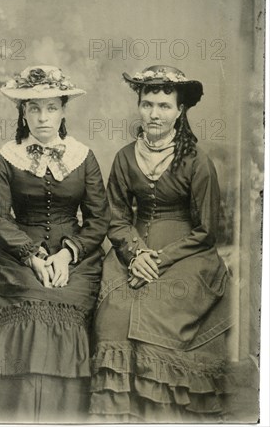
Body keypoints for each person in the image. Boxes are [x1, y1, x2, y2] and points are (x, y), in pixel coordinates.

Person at [0, 65, 110, 423]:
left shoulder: (83, 157)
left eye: (51, 107)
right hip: (15, 257)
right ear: (23, 112)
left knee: (65, 310)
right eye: (34, 108)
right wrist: (33, 258)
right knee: (26, 305)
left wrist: (66, 254)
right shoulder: (7, 157)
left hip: (75, 257)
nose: (43, 117)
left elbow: (99, 218)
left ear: (63, 110)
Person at [90, 65, 232, 423]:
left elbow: (206, 231)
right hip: (133, 249)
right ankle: (121, 414)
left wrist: (160, 260)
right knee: (114, 313)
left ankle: (161, 413)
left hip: (188, 254)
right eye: (147, 104)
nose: (154, 113)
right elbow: (116, 217)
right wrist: (135, 254)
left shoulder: (196, 160)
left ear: (180, 111)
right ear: (139, 106)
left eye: (164, 106)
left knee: (158, 309)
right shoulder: (125, 156)